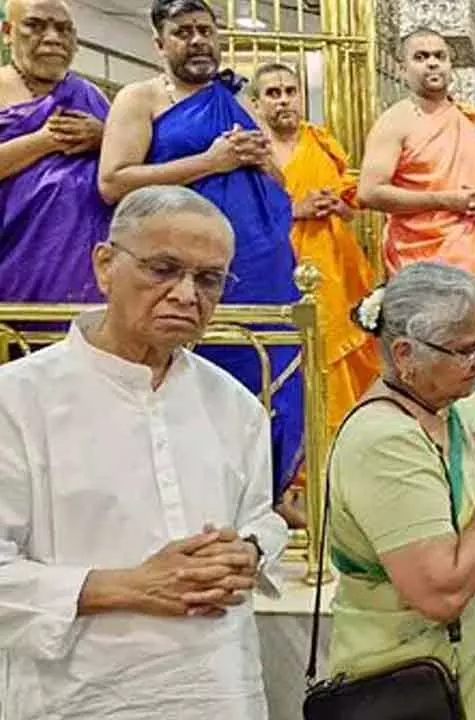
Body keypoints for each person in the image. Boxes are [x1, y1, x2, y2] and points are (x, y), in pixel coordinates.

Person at [0, 185, 287, 718]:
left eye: (208, 279)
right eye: (163, 268)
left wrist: (248, 551)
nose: (185, 294)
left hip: (222, 691)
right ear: (105, 265)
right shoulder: (17, 400)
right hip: (81, 697)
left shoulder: (233, 403)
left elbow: (262, 521)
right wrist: (130, 586)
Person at [97, 0, 302, 503]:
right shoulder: (139, 98)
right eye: (183, 31)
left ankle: (260, 502)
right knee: (198, 383)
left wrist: (260, 162)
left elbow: (277, 185)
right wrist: (208, 160)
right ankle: (187, 502)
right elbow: (112, 181)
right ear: (159, 43)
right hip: (182, 271)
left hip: (259, 266)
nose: (197, 41)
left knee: (276, 381)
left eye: (206, 31)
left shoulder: (237, 101)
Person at [326, 262, 475, 719]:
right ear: (404, 354)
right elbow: (441, 593)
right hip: (417, 692)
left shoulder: (460, 408)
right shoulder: (384, 442)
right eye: (465, 350)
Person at [250, 62, 379, 440]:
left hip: (336, 270)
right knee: (297, 359)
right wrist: (295, 209)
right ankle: (302, 461)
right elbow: (244, 215)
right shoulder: (253, 153)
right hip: (283, 270)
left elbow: (351, 206)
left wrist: (339, 208)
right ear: (256, 104)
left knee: (343, 358)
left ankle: (346, 442)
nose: (284, 100)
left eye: (291, 91)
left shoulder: (321, 141)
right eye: (273, 94)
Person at [357, 27, 475, 298]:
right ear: (402, 70)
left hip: (469, 251)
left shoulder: (464, 119)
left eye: (439, 56)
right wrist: (445, 200)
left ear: (449, 65)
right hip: (417, 257)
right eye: (420, 57)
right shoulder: (395, 122)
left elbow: (473, 185)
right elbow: (368, 193)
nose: (432, 62)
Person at [0, 0, 110, 302]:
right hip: (14, 258)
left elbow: (127, 163)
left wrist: (103, 137)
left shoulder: (89, 95)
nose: (52, 38)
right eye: (35, 26)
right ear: (8, 32)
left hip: (86, 264)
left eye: (63, 29)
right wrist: (43, 141)